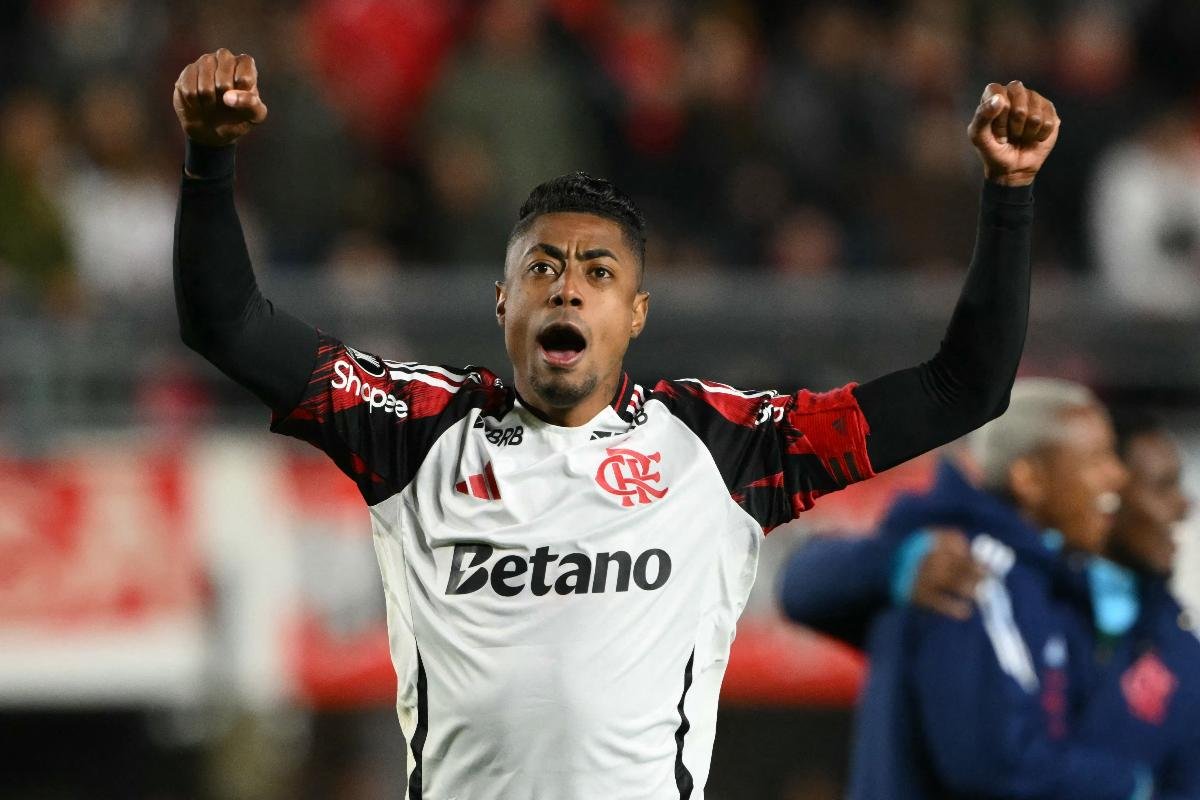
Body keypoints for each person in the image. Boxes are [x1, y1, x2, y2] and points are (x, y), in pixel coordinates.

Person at [172, 47, 1058, 798]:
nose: (567, 284)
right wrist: (210, 159)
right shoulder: (415, 427)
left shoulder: (724, 445)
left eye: (597, 271)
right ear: (502, 302)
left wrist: (1009, 195)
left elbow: (963, 389)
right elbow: (229, 323)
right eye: (543, 268)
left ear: (634, 313)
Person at [779, 381, 1200, 798]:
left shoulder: (1051, 584)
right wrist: (1129, 787)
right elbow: (993, 764)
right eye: (1097, 460)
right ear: (1029, 479)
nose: (1116, 478)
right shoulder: (971, 569)